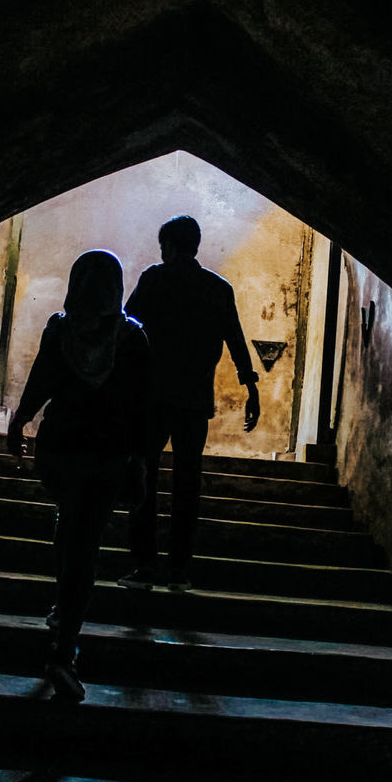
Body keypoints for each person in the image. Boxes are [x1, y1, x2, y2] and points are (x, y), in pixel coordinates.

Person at [6, 250, 149, 701]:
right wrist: (142, 461)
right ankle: (64, 650)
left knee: (70, 525)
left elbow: (42, 380)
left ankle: (61, 613)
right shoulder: (132, 338)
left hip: (60, 451)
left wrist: (19, 421)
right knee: (84, 544)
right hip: (106, 455)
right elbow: (142, 406)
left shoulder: (60, 329)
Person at [118, 215, 259, 592]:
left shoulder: (154, 279)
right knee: (187, 484)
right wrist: (251, 388)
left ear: (170, 246)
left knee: (144, 478)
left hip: (151, 399)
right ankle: (179, 570)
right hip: (194, 401)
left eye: (163, 245)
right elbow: (235, 338)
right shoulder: (217, 287)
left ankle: (145, 566)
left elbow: (127, 331)